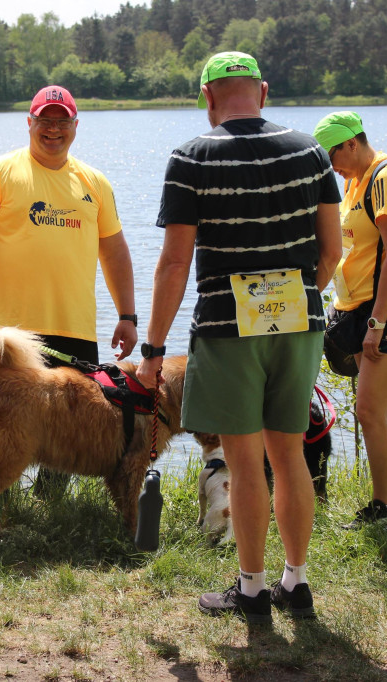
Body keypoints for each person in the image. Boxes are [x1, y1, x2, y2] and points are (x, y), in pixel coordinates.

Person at [137, 52, 342, 623]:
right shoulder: (312, 152)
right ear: (263, 92)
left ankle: (252, 591)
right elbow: (331, 253)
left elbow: (175, 263)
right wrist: (297, 297)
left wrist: (153, 350)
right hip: (301, 323)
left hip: (228, 328)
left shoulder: (191, 157)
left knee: (245, 462)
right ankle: (295, 584)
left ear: (207, 98)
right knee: (291, 456)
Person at [0, 85, 137, 494]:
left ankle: (52, 507)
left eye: (62, 121)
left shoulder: (95, 182)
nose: (53, 130)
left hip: (74, 330)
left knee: (69, 433)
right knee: (6, 430)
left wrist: (127, 315)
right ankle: (1, 505)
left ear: (75, 125)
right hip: (11, 338)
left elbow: (116, 253)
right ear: (29, 123)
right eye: (45, 121)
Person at [311, 110, 387, 529]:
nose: (331, 166)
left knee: (368, 411)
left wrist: (377, 323)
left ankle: (383, 508)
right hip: (363, 308)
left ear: (351, 143)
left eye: (333, 156)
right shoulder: (354, 182)